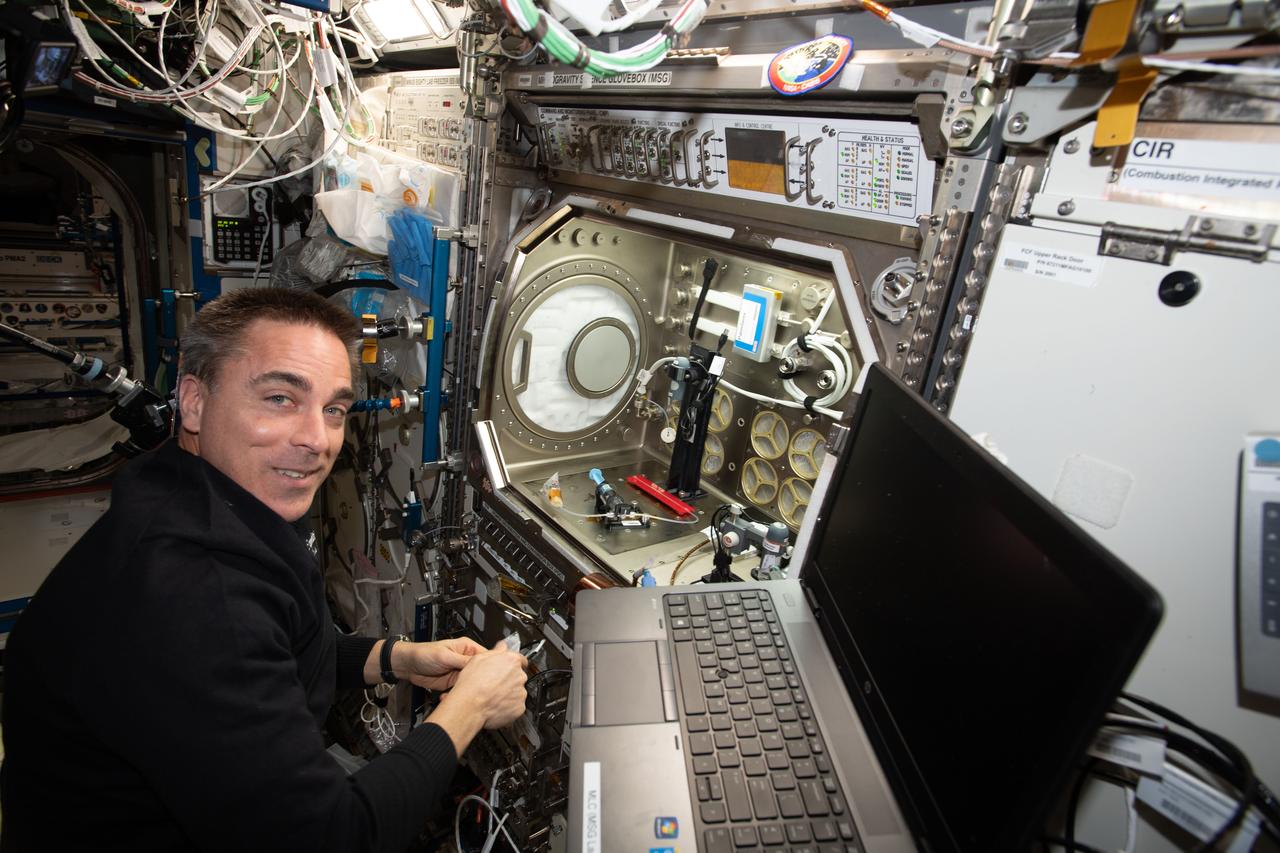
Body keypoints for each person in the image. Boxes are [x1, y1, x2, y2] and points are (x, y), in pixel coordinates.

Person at [0, 288, 528, 852]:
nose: (315, 440)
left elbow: (277, 643)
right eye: (280, 398)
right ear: (194, 402)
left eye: (333, 410)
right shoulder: (194, 594)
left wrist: (393, 659)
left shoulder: (192, 494)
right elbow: (334, 838)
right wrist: (467, 708)